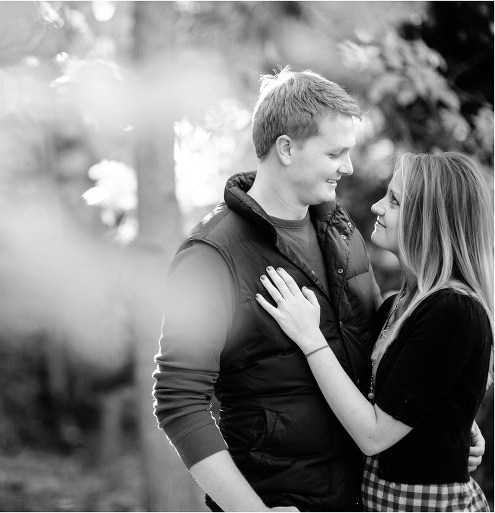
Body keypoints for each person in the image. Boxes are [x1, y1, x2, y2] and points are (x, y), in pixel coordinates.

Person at [152, 68, 485, 512]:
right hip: (280, 501)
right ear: (287, 148)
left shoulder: (343, 232)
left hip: (363, 498)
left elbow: (380, 357)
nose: (348, 166)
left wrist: (444, 418)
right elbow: (179, 401)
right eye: (335, 153)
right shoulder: (211, 257)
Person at [255, 152, 492, 511]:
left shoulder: (454, 311)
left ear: (429, 222)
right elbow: (407, 397)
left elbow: (373, 434)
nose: (379, 206)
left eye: (395, 201)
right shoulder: (397, 306)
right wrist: (458, 426)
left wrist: (310, 337)